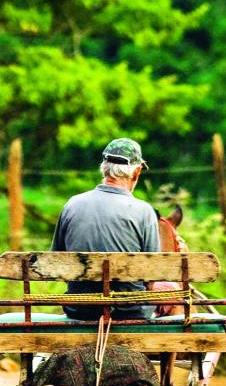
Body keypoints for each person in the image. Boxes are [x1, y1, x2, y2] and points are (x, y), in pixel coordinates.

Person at [50, 137, 159, 320]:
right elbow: (152, 275)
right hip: (130, 313)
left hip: (80, 309)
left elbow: (56, 262)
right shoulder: (144, 211)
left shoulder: (72, 204)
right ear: (137, 172)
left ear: (104, 167)